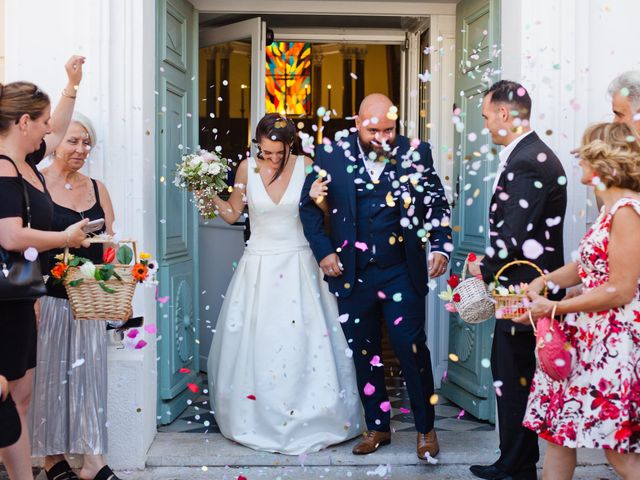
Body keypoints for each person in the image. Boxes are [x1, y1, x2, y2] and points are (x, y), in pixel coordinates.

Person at [299, 93, 452, 461]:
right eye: (373, 130)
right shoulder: (330, 154)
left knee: (410, 348)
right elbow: (308, 208)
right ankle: (378, 427)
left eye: (389, 129)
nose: (383, 136)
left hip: (401, 269)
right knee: (364, 352)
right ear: (357, 123)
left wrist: (440, 246)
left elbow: (436, 202)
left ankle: (425, 429)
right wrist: (324, 252)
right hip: (353, 273)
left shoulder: (418, 151)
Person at [205, 113, 363, 454]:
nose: (273, 159)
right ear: (257, 145)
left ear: (291, 144)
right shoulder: (247, 168)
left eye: (280, 152)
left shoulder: (308, 165)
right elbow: (233, 214)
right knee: (259, 342)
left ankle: (315, 414)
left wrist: (321, 199)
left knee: (304, 342)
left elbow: (323, 214)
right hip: (258, 268)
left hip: (299, 265)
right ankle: (254, 416)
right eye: (266, 152)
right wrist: (205, 193)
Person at [515, 122, 640, 480]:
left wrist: (553, 307)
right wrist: (545, 280)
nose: (578, 159)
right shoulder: (609, 210)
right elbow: (586, 266)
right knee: (558, 435)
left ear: (603, 162)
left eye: (584, 153)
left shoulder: (628, 212)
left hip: (614, 348)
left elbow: (620, 289)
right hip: (586, 342)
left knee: (619, 453)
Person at [467, 80, 567, 480]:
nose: (487, 124)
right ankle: (514, 461)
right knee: (513, 376)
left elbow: (512, 236)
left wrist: (481, 268)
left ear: (504, 114)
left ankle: (516, 468)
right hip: (522, 287)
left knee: (514, 377)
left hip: (525, 290)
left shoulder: (528, 160)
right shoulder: (528, 153)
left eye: (488, 116)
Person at [0, 56, 89, 480]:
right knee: (5, 398)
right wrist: (65, 239)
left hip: (20, 298)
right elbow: (11, 237)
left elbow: (56, 128)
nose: (50, 127)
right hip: (2, 302)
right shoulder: (1, 170)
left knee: (21, 396)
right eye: (43, 120)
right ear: (22, 122)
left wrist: (72, 85)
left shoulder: (26, 164)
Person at [29, 113, 121, 480]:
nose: (81, 149)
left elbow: (111, 245)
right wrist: (32, 296)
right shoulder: (34, 185)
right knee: (49, 379)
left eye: (87, 142)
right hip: (46, 298)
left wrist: (118, 289)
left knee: (90, 381)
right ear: (54, 142)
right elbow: (25, 244)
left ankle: (93, 461)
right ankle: (52, 459)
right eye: (73, 141)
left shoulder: (98, 188)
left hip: (90, 301)